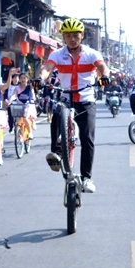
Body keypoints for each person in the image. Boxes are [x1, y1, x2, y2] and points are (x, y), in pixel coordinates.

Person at [39, 18, 109, 194]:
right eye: (68, 36)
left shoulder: (91, 54)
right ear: (63, 37)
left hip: (86, 100)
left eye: (75, 35)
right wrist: (41, 78)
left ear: (82, 36)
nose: (72, 39)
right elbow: (47, 68)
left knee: (87, 139)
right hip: (66, 97)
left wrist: (104, 76)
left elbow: (102, 67)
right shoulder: (57, 54)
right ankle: (56, 153)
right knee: (57, 114)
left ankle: (86, 178)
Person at [8, 72, 38, 137]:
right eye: (21, 78)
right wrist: (10, 100)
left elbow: (36, 86)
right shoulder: (17, 88)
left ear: (27, 79)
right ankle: (19, 136)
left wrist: (34, 98)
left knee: (24, 117)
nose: (23, 80)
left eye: (24, 78)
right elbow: (14, 95)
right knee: (17, 120)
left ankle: (30, 133)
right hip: (20, 106)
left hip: (29, 105)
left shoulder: (30, 86)